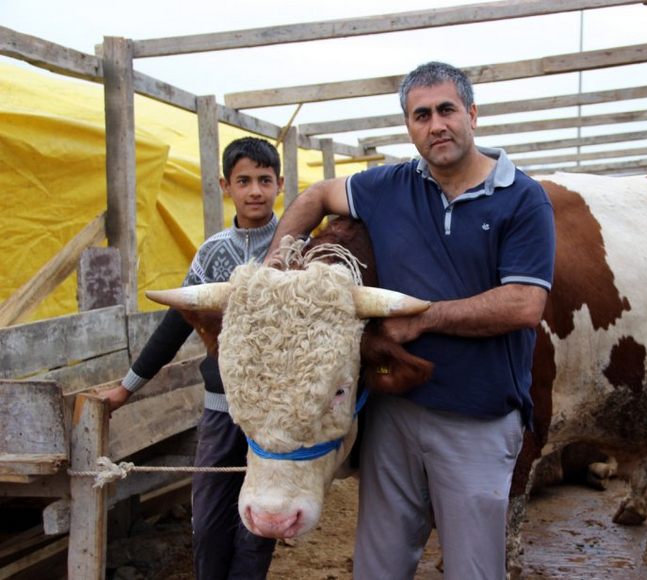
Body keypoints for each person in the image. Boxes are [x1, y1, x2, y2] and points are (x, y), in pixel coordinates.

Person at [264, 61, 556, 579]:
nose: (435, 125)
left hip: (477, 418)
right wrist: (275, 271)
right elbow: (313, 197)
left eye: (446, 110)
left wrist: (423, 319)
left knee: (471, 568)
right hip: (394, 413)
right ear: (409, 127)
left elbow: (523, 304)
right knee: (378, 566)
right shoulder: (387, 186)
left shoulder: (522, 198)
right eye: (421, 115)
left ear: (472, 113)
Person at [99, 137, 284, 579]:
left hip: (276, 417)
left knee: (258, 522)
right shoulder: (211, 254)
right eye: (244, 181)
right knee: (209, 520)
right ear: (226, 186)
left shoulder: (296, 248)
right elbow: (175, 325)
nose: (255, 190)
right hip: (220, 410)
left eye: (264, 180)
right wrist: (126, 388)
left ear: (280, 184)